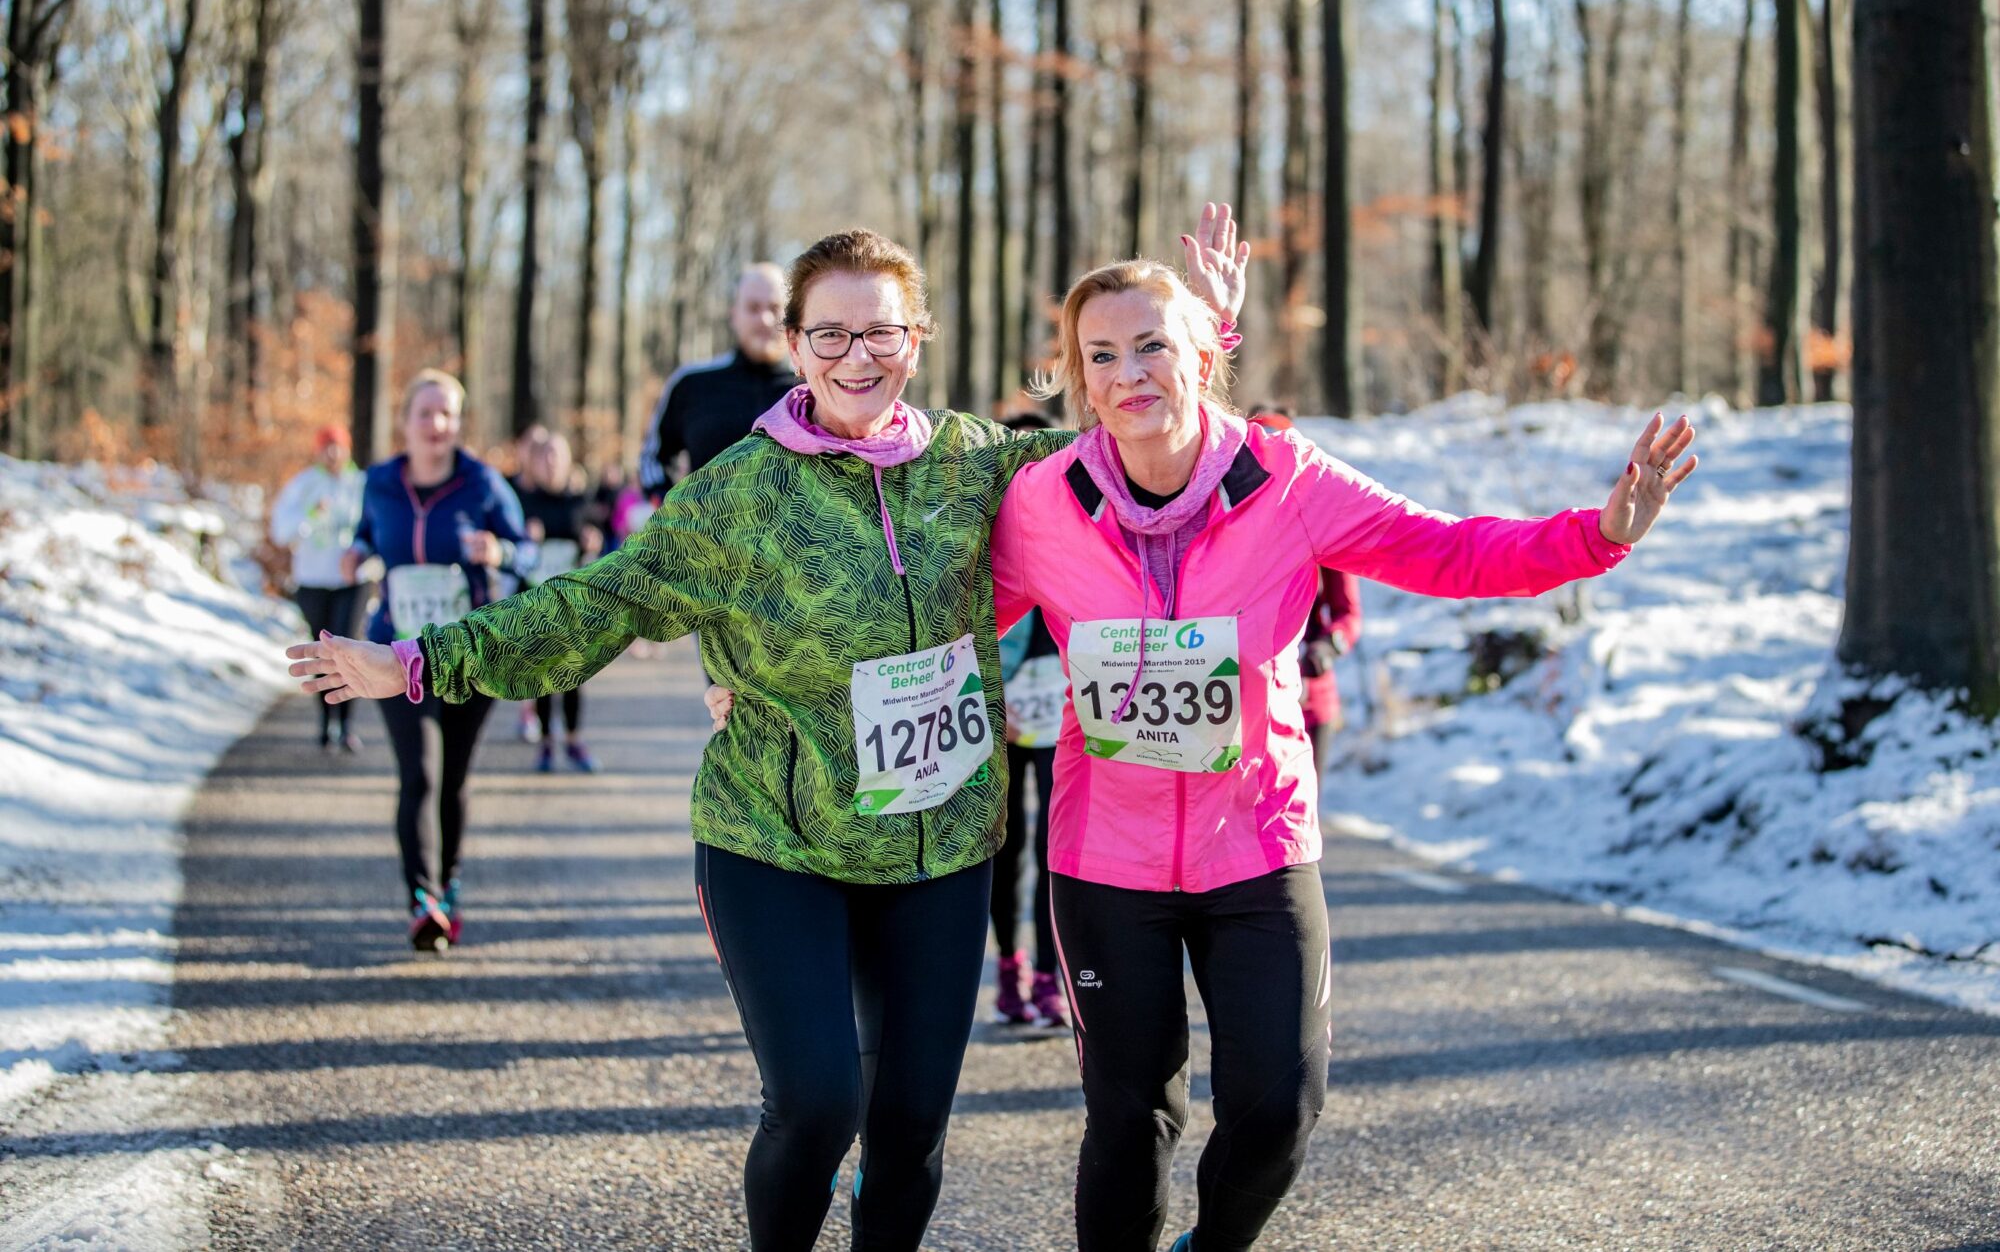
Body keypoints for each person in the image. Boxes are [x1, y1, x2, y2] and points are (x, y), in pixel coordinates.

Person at [287, 229, 1079, 1251]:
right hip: (774, 839)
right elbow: (596, 601)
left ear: (916, 339)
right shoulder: (738, 493)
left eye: (879, 331)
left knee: (911, 1125)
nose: (854, 356)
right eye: (828, 332)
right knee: (816, 1103)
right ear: (792, 344)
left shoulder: (976, 463)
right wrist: (419, 661)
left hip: (940, 843)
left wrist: (1195, 341)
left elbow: (1132, 452)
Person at [989, 258, 1696, 1252]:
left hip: (1257, 847)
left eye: (1150, 343)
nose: (1126, 372)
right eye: (1098, 353)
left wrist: (1594, 535)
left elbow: (1443, 548)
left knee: (1278, 1109)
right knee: (1129, 1120)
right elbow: (943, 622)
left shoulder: (1284, 478)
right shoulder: (1039, 502)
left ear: (1200, 349)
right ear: (1075, 374)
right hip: (1105, 858)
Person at [341, 369, 529, 953]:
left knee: (453, 780)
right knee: (419, 774)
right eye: (425, 413)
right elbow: (369, 532)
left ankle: (447, 886)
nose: (436, 424)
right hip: (395, 652)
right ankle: (422, 900)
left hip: (470, 652)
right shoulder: (379, 482)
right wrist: (356, 550)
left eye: (447, 413)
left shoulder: (483, 484)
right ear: (405, 422)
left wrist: (500, 551)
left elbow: (527, 551)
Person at [991, 411, 1068, 1028]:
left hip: (1065, 704)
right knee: (1006, 842)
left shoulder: (1074, 516)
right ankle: (1008, 969)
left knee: (1055, 845)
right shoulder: (981, 527)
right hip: (999, 704)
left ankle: (1049, 974)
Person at [1247, 408, 1361, 775]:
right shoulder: (1230, 528)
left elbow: (1349, 615)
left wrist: (1328, 647)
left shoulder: (1321, 526)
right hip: (1245, 706)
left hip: (1311, 700)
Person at [637, 262, 796, 500]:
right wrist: (671, 513)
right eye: (753, 308)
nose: (764, 319)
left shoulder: (812, 390)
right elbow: (653, 460)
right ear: (734, 314)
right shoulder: (691, 384)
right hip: (702, 535)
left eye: (775, 308)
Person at [269, 424, 366, 751]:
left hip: (352, 583)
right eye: (328, 446)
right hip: (312, 583)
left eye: (339, 446)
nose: (334, 453)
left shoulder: (361, 485)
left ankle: (348, 725)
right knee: (323, 652)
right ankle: (326, 722)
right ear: (318, 450)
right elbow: (281, 532)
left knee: (348, 651)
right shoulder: (304, 485)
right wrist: (310, 513)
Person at [513, 430, 604, 772]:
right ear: (535, 462)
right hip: (536, 604)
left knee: (574, 674)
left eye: (557, 456)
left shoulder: (579, 502)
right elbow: (512, 553)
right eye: (545, 456)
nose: (551, 462)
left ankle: (574, 741)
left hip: (573, 606)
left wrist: (592, 545)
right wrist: (526, 540)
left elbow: (597, 553)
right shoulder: (524, 502)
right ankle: (547, 746)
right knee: (541, 676)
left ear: (568, 462)